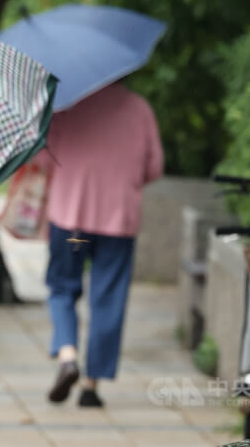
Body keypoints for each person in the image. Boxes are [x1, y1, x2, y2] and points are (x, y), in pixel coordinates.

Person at [41, 81, 163, 407]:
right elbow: (154, 168)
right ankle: (91, 386)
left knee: (62, 286)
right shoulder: (139, 109)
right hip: (117, 222)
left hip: (71, 221)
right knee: (108, 297)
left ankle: (68, 356)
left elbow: (43, 157)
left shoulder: (66, 107)